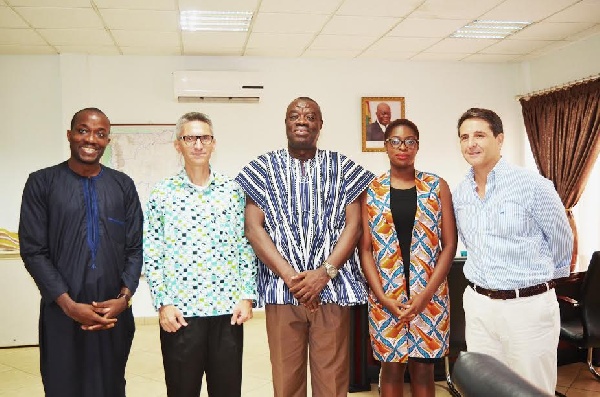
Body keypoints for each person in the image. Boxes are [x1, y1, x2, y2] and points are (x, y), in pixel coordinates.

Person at [235, 97, 375, 397]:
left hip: (333, 291)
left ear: (320, 125)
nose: (302, 121)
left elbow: (355, 226)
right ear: (285, 122)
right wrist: (292, 277)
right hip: (282, 291)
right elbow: (253, 228)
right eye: (294, 116)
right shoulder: (263, 169)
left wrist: (323, 275)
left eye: (310, 116)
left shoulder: (343, 168)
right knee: (286, 380)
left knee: (333, 381)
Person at [18, 107, 143, 397]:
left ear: (107, 141)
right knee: (63, 385)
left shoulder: (122, 186)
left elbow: (135, 247)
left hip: (112, 314)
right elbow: (34, 251)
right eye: (83, 130)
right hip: (62, 312)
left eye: (100, 134)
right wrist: (68, 305)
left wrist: (123, 299)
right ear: (70, 135)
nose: (91, 139)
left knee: (111, 386)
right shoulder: (42, 183)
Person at [452, 107, 573, 395]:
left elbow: (562, 242)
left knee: (533, 390)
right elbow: (471, 243)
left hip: (527, 308)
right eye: (464, 137)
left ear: (500, 139)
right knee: (485, 388)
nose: (471, 143)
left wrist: (538, 285)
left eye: (480, 135)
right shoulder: (460, 193)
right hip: (480, 305)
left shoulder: (533, 186)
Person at [144, 112, 257, 397]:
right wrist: (163, 303)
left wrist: (246, 295)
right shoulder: (162, 194)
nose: (197, 144)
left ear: (213, 143)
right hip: (181, 314)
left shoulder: (233, 191)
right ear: (177, 145)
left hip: (227, 312)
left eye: (204, 137)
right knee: (182, 390)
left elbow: (246, 245)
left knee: (227, 390)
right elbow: (153, 250)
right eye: (189, 138)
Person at [359, 119, 457, 397]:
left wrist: (425, 295)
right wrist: (382, 296)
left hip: (430, 296)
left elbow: (449, 245)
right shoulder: (371, 190)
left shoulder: (437, 187)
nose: (403, 147)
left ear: (417, 145)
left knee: (424, 369)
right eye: (395, 141)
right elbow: (365, 249)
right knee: (390, 369)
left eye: (410, 141)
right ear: (385, 147)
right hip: (385, 297)